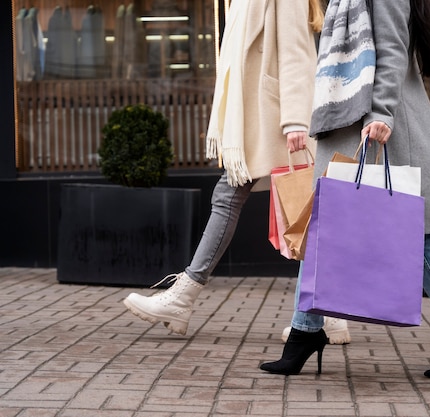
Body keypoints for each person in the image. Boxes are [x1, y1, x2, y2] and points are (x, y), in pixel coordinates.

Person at [260, 0, 430, 380]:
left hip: (382, 128)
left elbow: (393, 48)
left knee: (417, 237)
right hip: (354, 125)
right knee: (325, 232)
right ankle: (305, 334)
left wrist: (381, 112)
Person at [122, 0, 351, 343]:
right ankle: (328, 314)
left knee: (241, 199)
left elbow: (297, 53)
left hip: (274, 118)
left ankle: (184, 297)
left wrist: (295, 121)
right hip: (257, 117)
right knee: (280, 206)